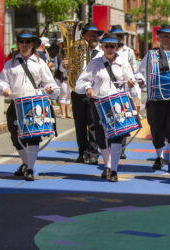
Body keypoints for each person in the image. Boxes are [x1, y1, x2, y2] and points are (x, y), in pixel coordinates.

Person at [0, 29, 60, 181]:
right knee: (15, 136)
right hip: (16, 103)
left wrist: (50, 89)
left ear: (33, 44)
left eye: (28, 42)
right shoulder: (9, 64)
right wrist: (4, 89)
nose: (24, 45)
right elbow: (0, 81)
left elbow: (50, 83)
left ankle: (30, 168)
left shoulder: (39, 63)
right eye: (22, 42)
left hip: (34, 103)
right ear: (18, 44)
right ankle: (26, 163)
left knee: (33, 136)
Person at [75, 33, 139, 182]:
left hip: (118, 103)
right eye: (107, 46)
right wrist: (87, 88)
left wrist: (131, 85)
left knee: (116, 136)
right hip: (99, 103)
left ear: (116, 47)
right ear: (102, 47)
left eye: (112, 46)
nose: (110, 49)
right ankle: (108, 165)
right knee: (101, 136)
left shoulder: (123, 63)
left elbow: (134, 89)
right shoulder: (94, 63)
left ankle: (114, 170)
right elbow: (81, 82)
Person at [135, 24, 170, 174]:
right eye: (163, 36)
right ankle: (160, 157)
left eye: (169, 36)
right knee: (156, 130)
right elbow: (140, 72)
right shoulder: (151, 55)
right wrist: (140, 79)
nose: (166, 38)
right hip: (155, 99)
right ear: (159, 38)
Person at [61, 23, 104, 164]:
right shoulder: (76, 49)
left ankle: (92, 152)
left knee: (94, 124)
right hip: (78, 91)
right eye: (91, 34)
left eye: (96, 34)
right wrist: (64, 65)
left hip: (94, 91)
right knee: (79, 124)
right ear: (84, 35)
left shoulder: (102, 51)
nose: (94, 36)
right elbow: (66, 71)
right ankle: (82, 151)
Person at [110, 25, 138, 159]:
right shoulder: (105, 50)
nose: (119, 38)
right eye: (116, 35)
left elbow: (134, 69)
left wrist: (133, 82)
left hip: (124, 90)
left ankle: (121, 148)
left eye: (120, 36)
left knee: (124, 120)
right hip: (109, 91)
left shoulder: (129, 51)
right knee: (112, 120)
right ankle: (111, 147)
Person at [55, 41, 72, 119]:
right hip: (62, 78)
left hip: (70, 79)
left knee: (68, 96)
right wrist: (63, 64)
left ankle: (68, 113)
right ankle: (63, 113)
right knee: (63, 95)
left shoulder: (72, 56)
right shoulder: (59, 56)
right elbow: (59, 69)